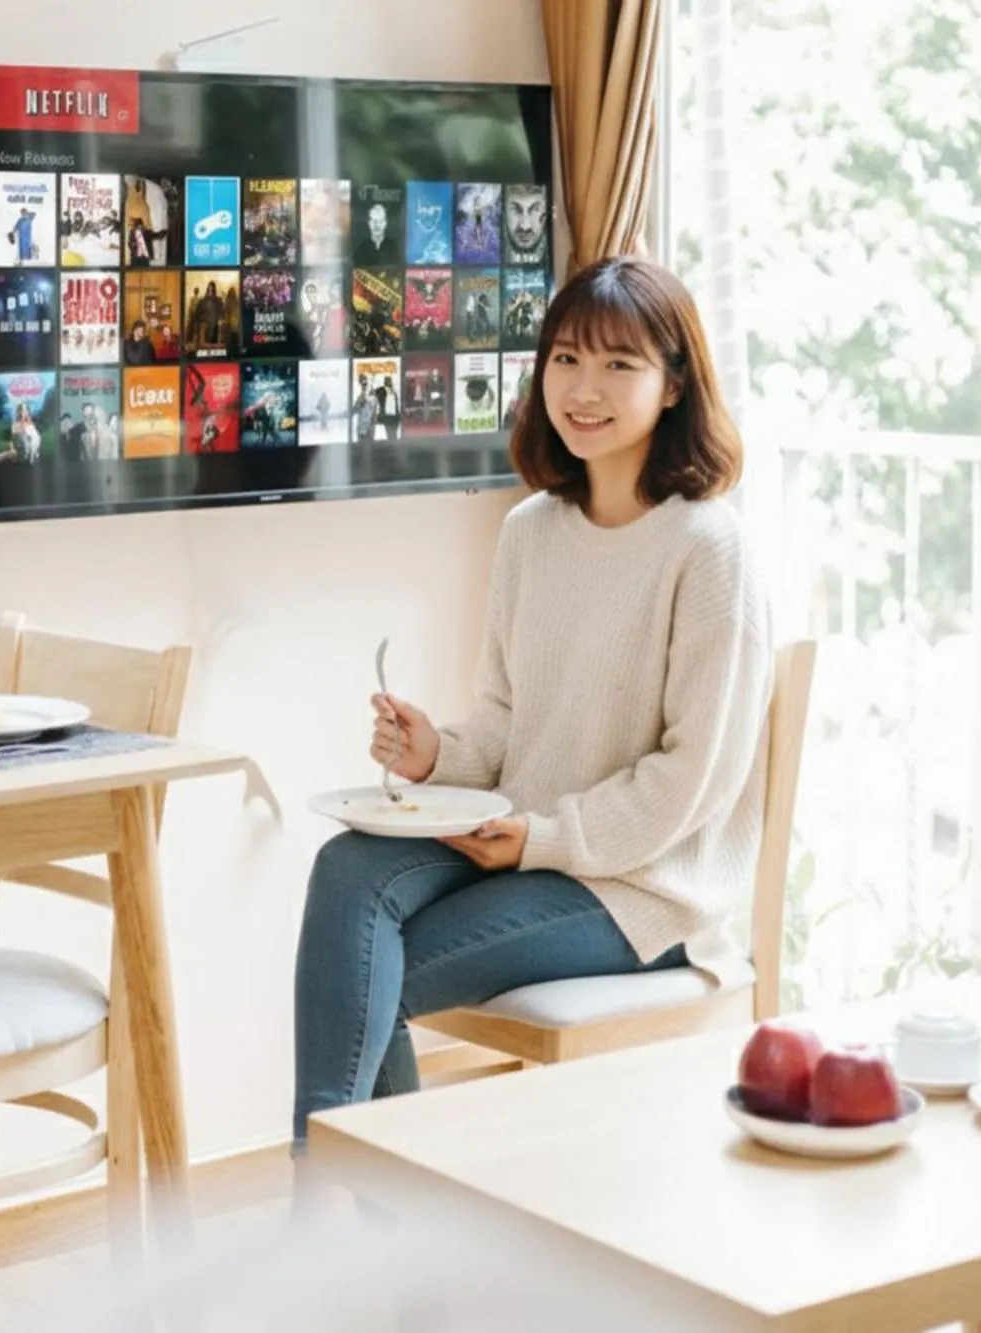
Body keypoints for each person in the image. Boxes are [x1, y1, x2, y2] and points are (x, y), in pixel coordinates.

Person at [291, 256, 772, 1159]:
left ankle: (336, 1205)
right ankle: (357, 1217)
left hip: (644, 891)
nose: (584, 390)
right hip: (527, 848)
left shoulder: (709, 549)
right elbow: (511, 725)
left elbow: (690, 783)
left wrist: (540, 838)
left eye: (619, 366)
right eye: (565, 359)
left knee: (366, 973)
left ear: (674, 384)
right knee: (347, 868)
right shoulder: (531, 531)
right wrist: (438, 754)